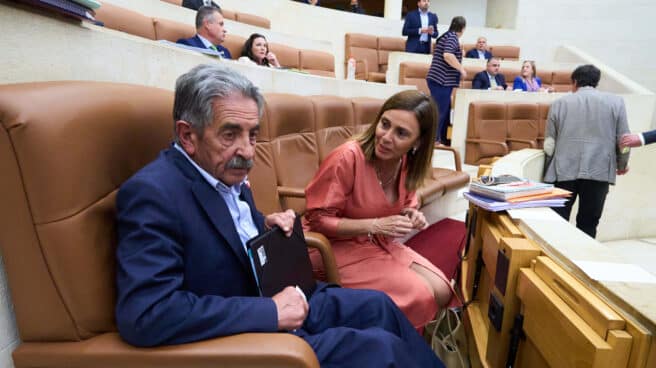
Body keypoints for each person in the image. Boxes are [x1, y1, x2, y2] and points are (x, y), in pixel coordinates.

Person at [114, 63, 444, 368]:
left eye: (253, 134)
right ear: (188, 136)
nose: (247, 151)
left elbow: (221, 229)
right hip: (246, 331)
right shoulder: (152, 194)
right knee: (381, 350)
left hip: (281, 293)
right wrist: (270, 312)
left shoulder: (221, 169)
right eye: (230, 134)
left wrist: (263, 225)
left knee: (379, 306)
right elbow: (147, 314)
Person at [304, 90, 455, 330]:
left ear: (417, 143)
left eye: (401, 133)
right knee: (419, 295)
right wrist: (375, 225)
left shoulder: (404, 161)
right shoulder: (347, 157)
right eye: (385, 124)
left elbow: (408, 201)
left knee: (441, 288)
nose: (386, 137)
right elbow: (318, 221)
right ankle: (393, 349)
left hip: (372, 241)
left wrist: (411, 214)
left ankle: (401, 339)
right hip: (330, 246)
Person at [543, 64, 630, 238]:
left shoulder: (559, 103)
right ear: (596, 82)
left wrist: (546, 173)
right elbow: (624, 140)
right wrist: (622, 163)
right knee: (589, 224)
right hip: (599, 172)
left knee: (557, 222)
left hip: (563, 171)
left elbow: (549, 143)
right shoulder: (616, 102)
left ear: (574, 82)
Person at [426, 16, 467, 144]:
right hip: (441, 81)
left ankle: (441, 139)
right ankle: (434, 140)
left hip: (439, 80)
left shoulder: (447, 36)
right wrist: (461, 69)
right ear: (463, 28)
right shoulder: (452, 37)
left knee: (444, 110)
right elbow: (448, 55)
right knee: (439, 112)